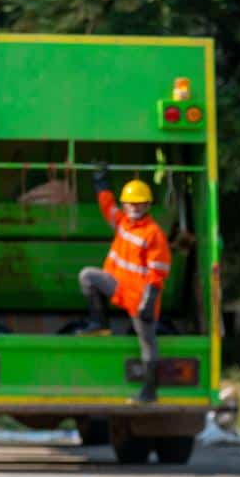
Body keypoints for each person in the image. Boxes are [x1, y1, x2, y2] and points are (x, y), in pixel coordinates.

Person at [77, 164, 172, 403]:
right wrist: (101, 184)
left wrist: (150, 300)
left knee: (147, 343)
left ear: (148, 205)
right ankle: (99, 323)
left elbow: (158, 271)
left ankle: (149, 392)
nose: (134, 207)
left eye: (139, 203)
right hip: (118, 286)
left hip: (140, 298)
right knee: (88, 276)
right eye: (130, 203)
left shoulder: (153, 234)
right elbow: (108, 207)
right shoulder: (123, 223)